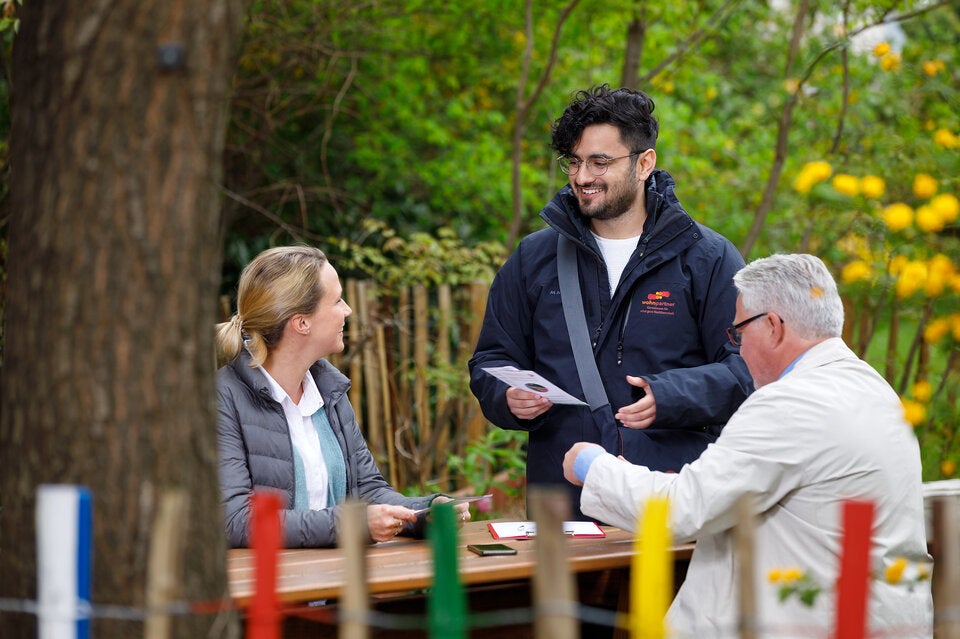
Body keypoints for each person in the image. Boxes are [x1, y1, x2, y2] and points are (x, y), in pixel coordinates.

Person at [563, 254, 932, 636]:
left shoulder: (790, 403)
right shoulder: (874, 390)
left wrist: (593, 465)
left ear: (772, 326)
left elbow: (683, 510)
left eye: (738, 334)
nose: (738, 349)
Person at [468, 85, 753, 518]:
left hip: (668, 501)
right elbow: (491, 358)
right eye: (574, 162)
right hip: (561, 500)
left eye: (600, 162)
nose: (583, 177)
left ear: (645, 163)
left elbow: (748, 370)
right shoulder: (533, 258)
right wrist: (507, 397)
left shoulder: (708, 259)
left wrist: (670, 395)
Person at [216, 245, 469, 548]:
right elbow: (235, 521)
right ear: (301, 323)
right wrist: (352, 524)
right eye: (336, 300)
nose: (348, 310)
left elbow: (367, 490)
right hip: (272, 591)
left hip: (340, 585)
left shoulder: (328, 389)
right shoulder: (222, 399)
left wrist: (426, 512)